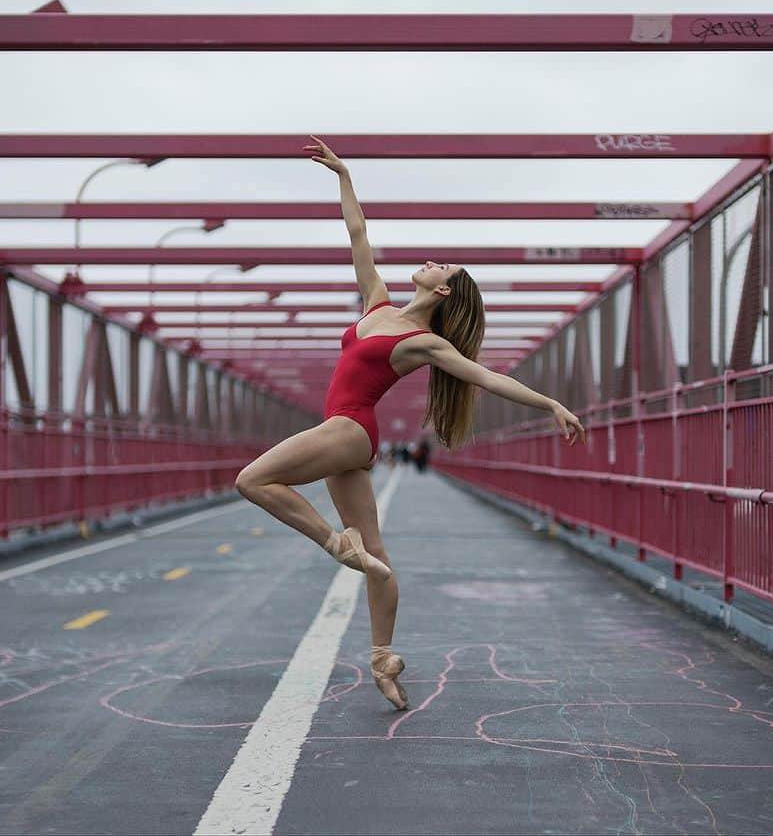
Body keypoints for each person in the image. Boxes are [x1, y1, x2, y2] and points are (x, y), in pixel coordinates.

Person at [233, 136, 586, 711]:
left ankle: (334, 546)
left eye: (438, 266)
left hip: (350, 428)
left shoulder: (422, 341)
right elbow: (358, 235)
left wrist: (549, 403)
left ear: (441, 290)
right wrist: (343, 176)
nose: (427, 262)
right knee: (380, 558)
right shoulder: (376, 303)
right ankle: (382, 658)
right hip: (350, 438)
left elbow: (485, 377)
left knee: (253, 481)